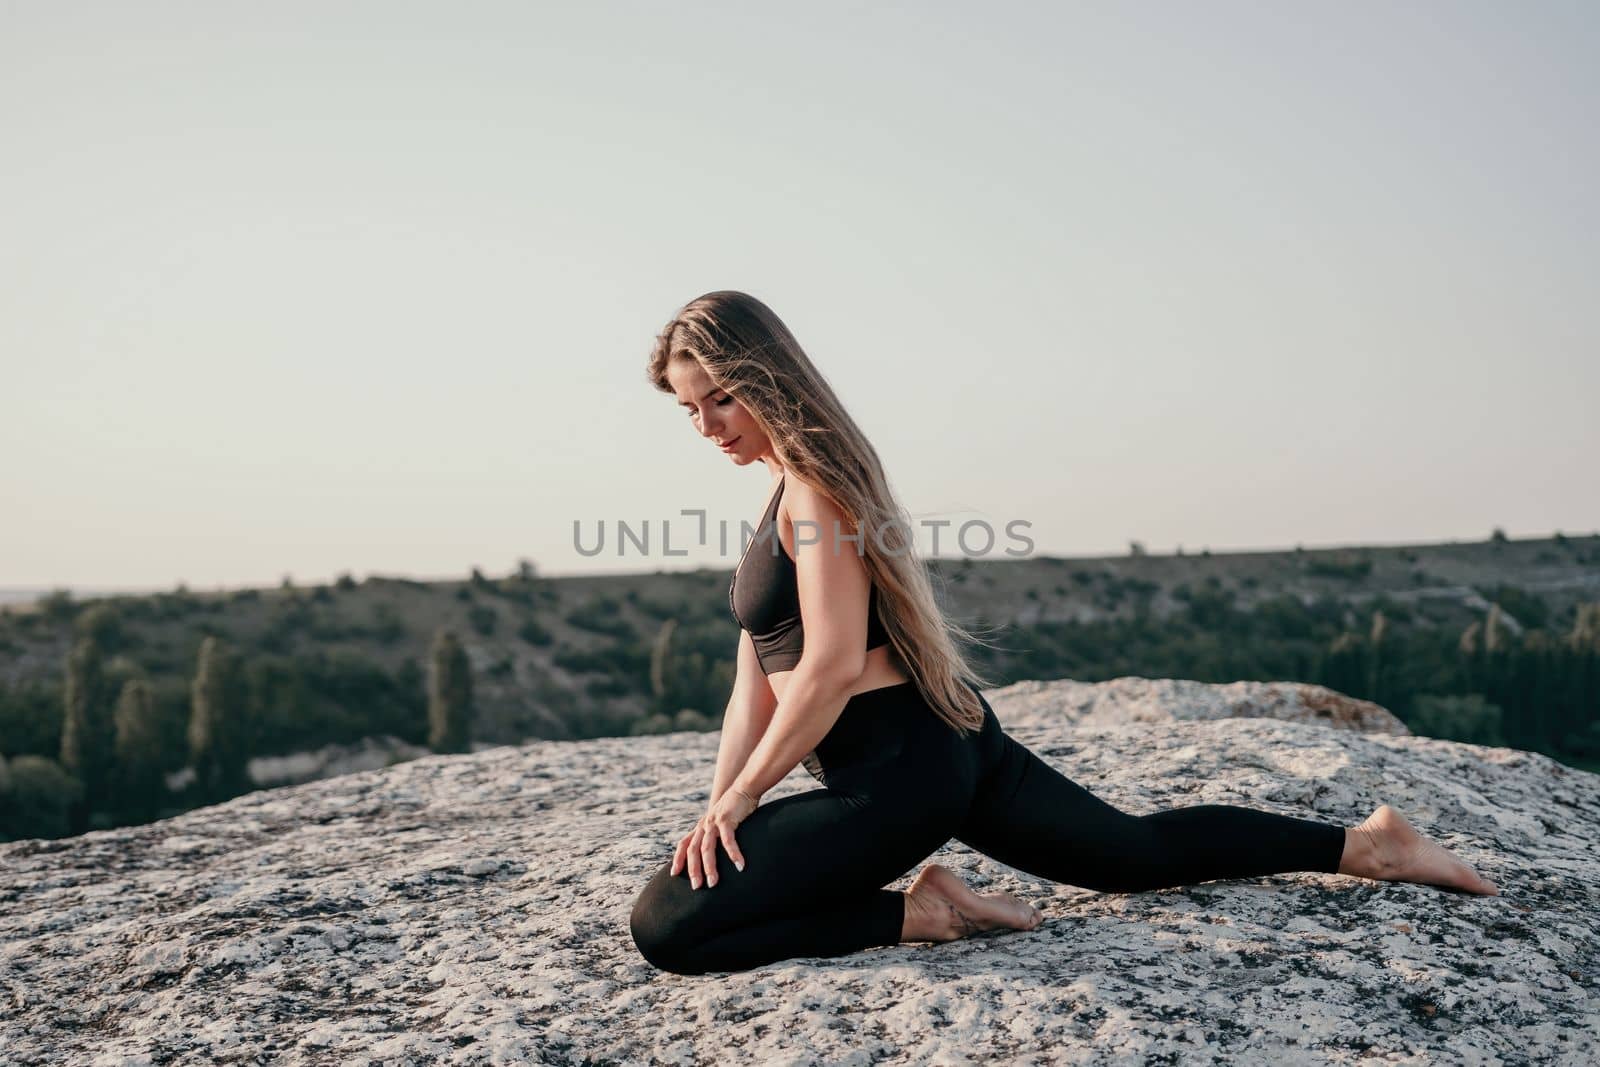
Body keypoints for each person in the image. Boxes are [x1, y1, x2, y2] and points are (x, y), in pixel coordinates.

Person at [627, 291, 1498, 977]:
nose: (707, 426)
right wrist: (719, 801)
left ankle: (924, 913)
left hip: (899, 777)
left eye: (724, 398)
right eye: (690, 407)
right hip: (944, 750)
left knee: (669, 924)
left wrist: (743, 801)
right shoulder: (784, 495)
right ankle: (1366, 845)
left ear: (770, 378)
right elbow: (758, 673)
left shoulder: (817, 492)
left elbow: (823, 670)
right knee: (1133, 851)